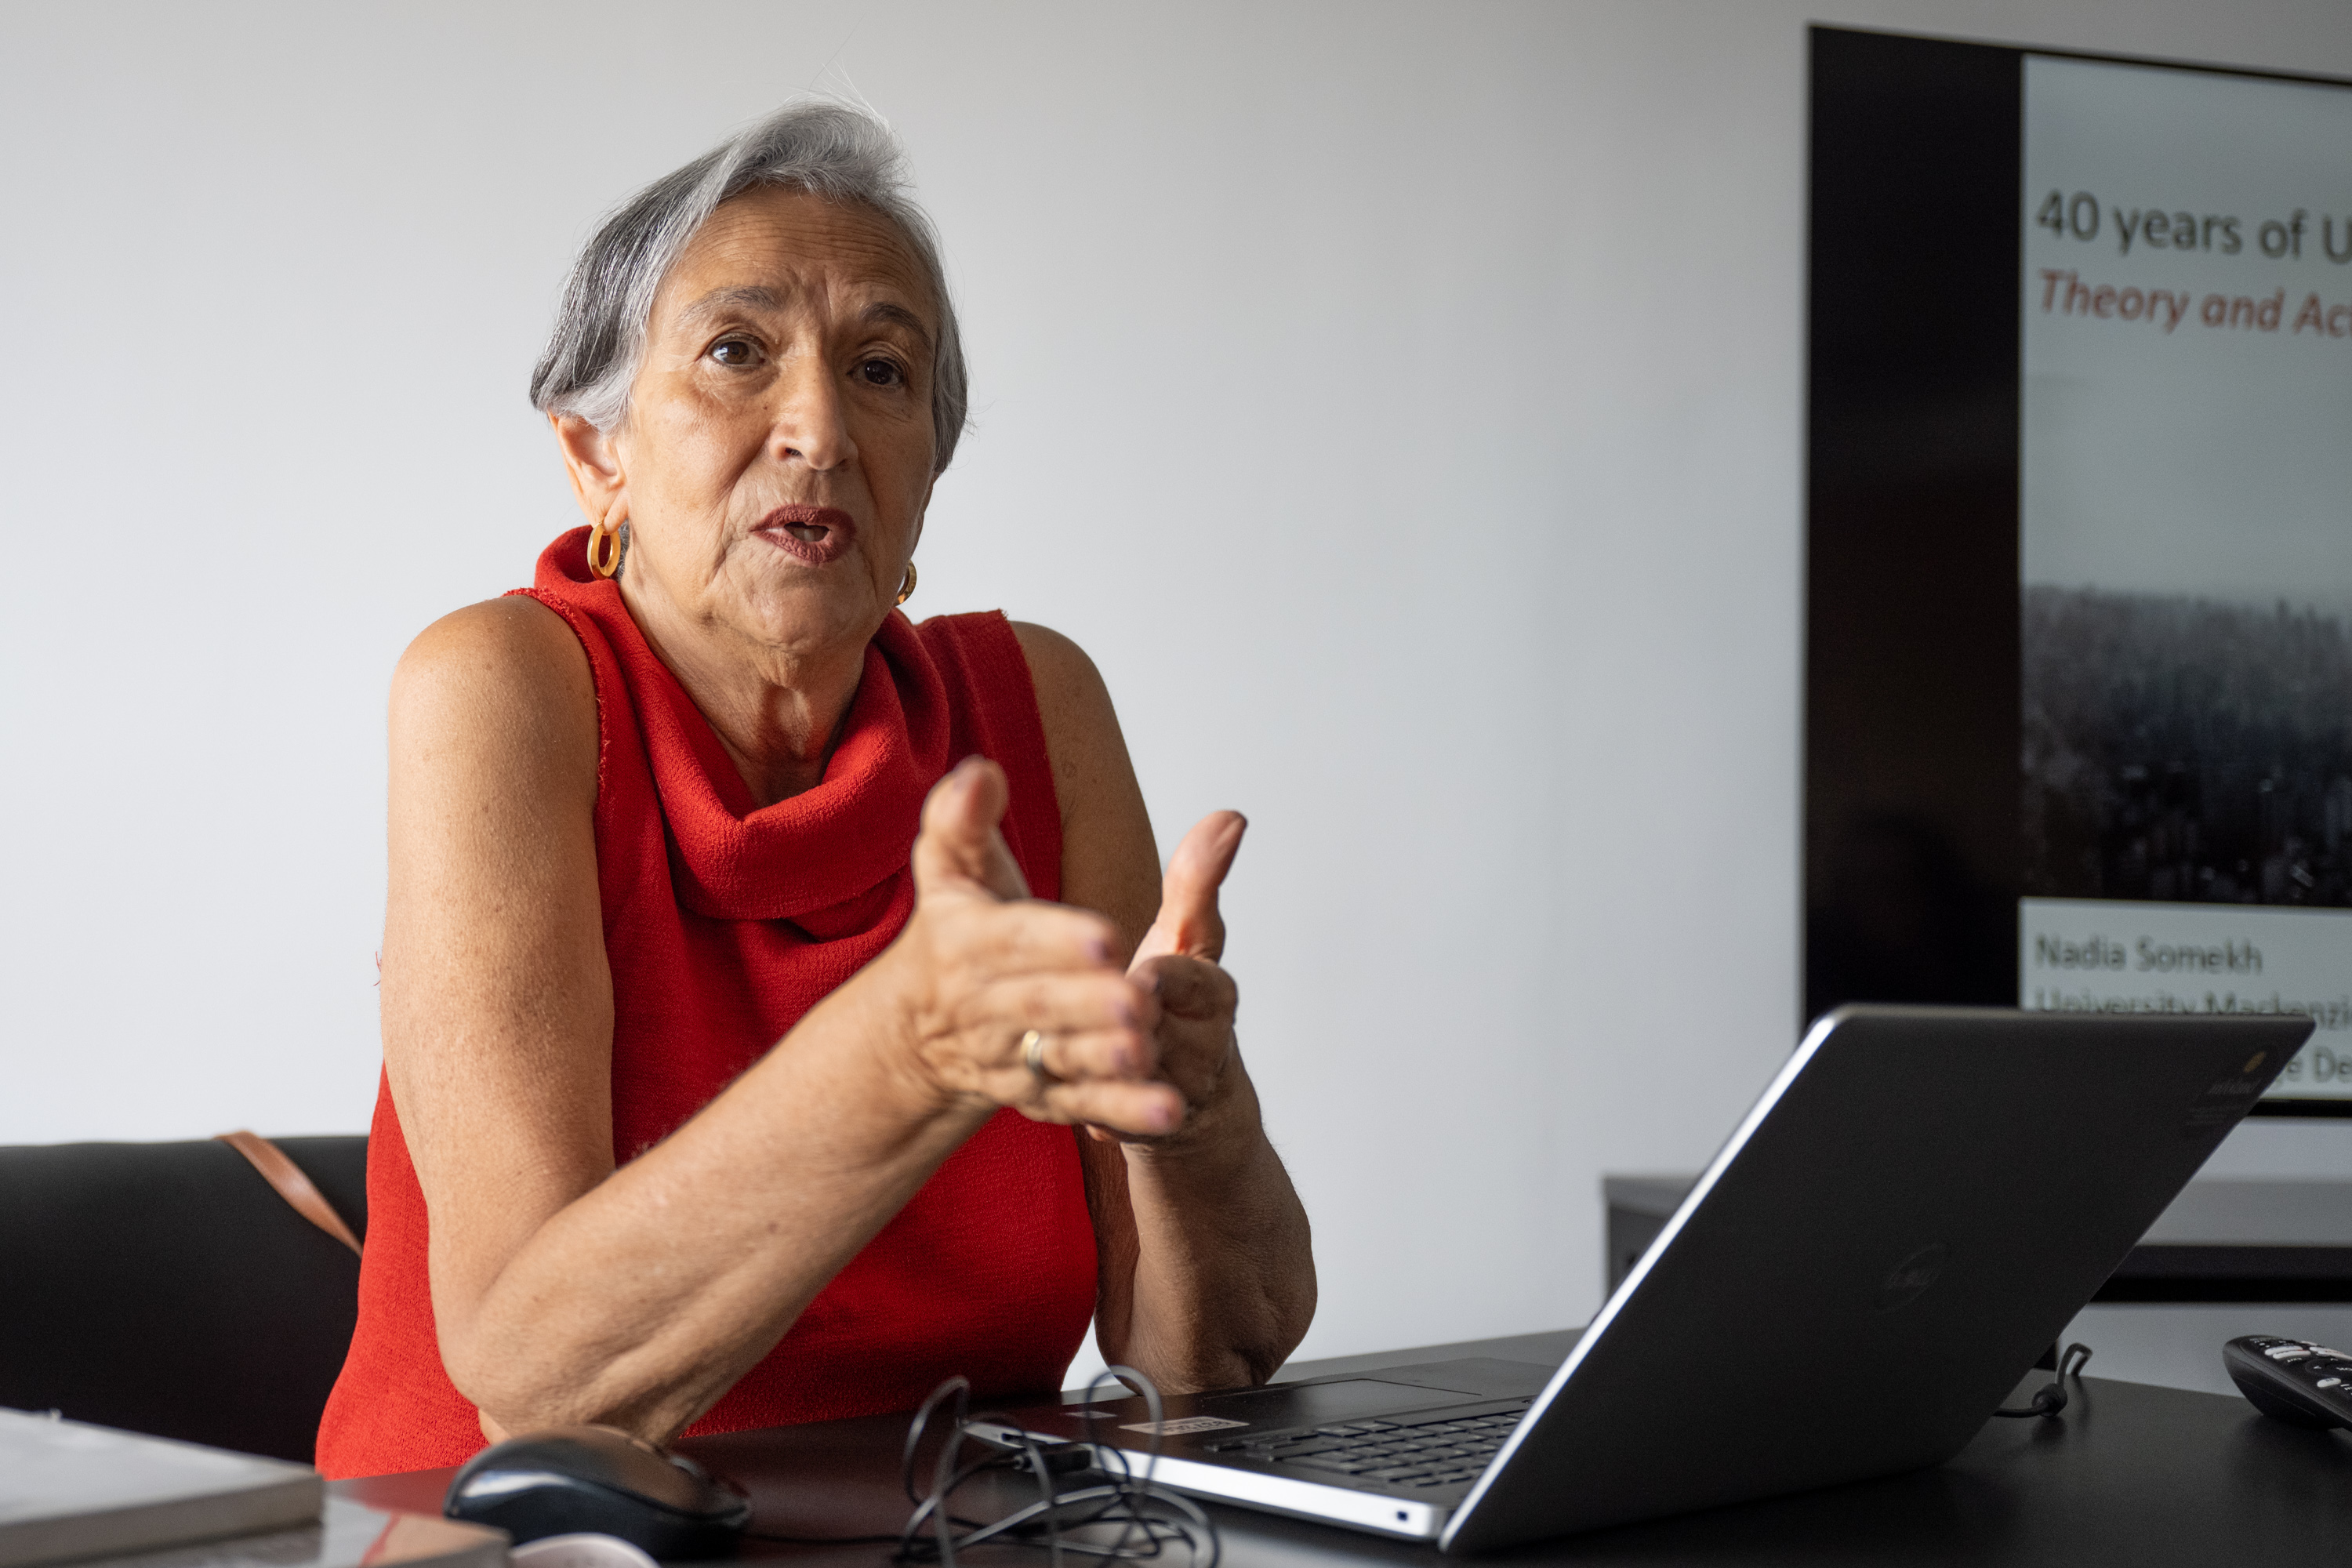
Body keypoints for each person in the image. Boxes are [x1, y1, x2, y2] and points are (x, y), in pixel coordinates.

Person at [315, 101, 1315, 1478]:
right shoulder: (504, 689)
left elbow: (1210, 1365)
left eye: (882, 370)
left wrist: (1192, 1130)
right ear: (597, 454)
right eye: (737, 351)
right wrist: (911, 1053)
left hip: (956, 1530)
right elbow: (539, 1383)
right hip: (529, 1537)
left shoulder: (1037, 708)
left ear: (926, 476)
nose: (821, 429)